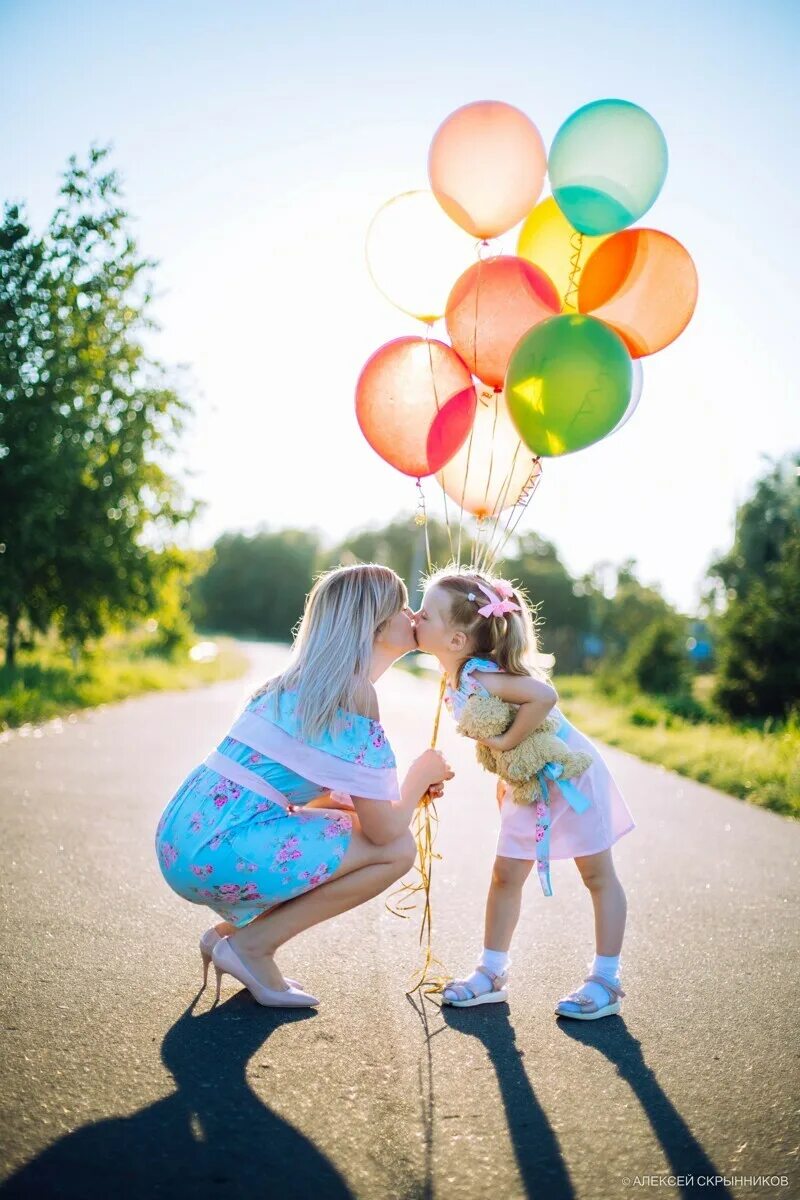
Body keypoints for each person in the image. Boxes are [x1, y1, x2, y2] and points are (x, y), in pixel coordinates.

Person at [155, 563, 453, 1008]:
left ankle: (233, 937)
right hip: (218, 847)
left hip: (184, 835)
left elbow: (306, 798)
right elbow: (385, 834)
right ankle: (252, 947)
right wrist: (419, 777)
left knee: (349, 827)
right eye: (403, 607)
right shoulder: (353, 693)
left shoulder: (296, 685)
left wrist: (386, 802)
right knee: (397, 853)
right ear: (372, 623)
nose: (413, 617)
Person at [413, 566, 635, 1019]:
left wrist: (506, 744)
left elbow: (543, 696)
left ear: (457, 640)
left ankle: (606, 980)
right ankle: (492, 972)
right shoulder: (457, 675)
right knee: (505, 875)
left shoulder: (481, 675)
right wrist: (503, 772)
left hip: (568, 775)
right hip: (528, 783)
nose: (414, 617)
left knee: (596, 874)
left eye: (425, 613)